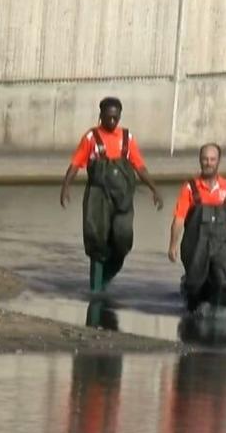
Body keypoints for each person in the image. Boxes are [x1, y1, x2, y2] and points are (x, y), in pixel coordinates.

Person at [60, 97, 163, 292]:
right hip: (97, 196)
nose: (112, 122)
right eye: (108, 118)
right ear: (101, 116)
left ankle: (107, 275)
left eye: (115, 118)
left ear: (120, 116)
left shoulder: (127, 138)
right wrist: (66, 187)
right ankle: (96, 288)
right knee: (96, 240)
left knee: (123, 238)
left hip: (122, 196)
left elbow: (139, 166)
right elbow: (75, 164)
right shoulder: (91, 137)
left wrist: (154, 189)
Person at [168, 143, 226, 313]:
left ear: (218, 161)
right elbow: (179, 219)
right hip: (197, 242)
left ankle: (218, 309)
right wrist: (173, 245)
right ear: (200, 161)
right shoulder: (189, 188)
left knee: (221, 278)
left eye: (212, 159)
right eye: (205, 159)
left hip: (225, 242)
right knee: (194, 283)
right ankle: (194, 307)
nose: (208, 163)